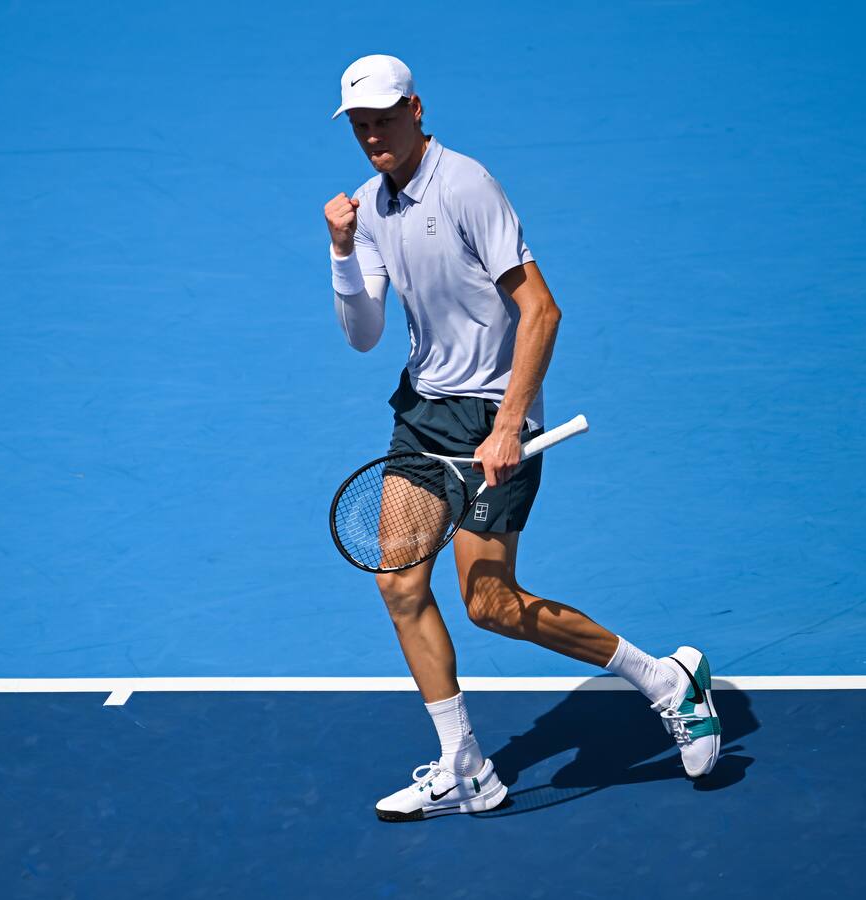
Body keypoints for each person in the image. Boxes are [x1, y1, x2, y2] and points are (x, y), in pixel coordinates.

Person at [324, 54, 721, 822]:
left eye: (383, 118)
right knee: (399, 584)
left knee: (490, 604)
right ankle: (465, 767)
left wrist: (510, 424)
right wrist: (341, 250)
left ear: (415, 107)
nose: (372, 135)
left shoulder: (466, 184)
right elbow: (364, 335)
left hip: (491, 417)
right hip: (423, 411)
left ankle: (667, 680)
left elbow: (542, 310)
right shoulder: (369, 208)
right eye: (360, 125)